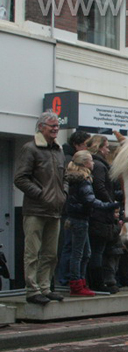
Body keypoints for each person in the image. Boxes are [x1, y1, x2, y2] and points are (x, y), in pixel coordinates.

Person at [14, 111, 67, 305]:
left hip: (55, 210)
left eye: (57, 126)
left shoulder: (58, 151)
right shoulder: (30, 149)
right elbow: (20, 178)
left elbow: (65, 177)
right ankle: (32, 290)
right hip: (35, 210)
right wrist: (41, 194)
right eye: (51, 126)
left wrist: (63, 193)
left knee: (51, 253)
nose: (55, 129)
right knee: (32, 252)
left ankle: (45, 287)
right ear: (40, 127)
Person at [65, 151, 120, 297]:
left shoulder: (75, 178)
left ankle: (80, 281)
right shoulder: (84, 179)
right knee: (79, 253)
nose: (93, 163)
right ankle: (77, 284)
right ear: (84, 163)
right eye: (90, 161)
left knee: (85, 252)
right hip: (80, 218)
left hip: (78, 217)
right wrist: (109, 205)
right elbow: (90, 200)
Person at [86, 135, 121, 294]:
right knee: (99, 250)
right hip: (101, 215)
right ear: (100, 147)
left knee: (100, 250)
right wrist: (111, 204)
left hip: (101, 213)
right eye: (106, 147)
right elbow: (100, 187)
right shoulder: (100, 166)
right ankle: (98, 282)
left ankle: (99, 281)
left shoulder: (100, 165)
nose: (108, 150)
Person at [57, 130, 92, 286]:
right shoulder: (71, 163)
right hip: (73, 212)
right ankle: (70, 279)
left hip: (70, 210)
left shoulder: (68, 159)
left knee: (73, 248)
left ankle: (70, 278)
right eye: (86, 145)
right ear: (77, 145)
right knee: (74, 249)